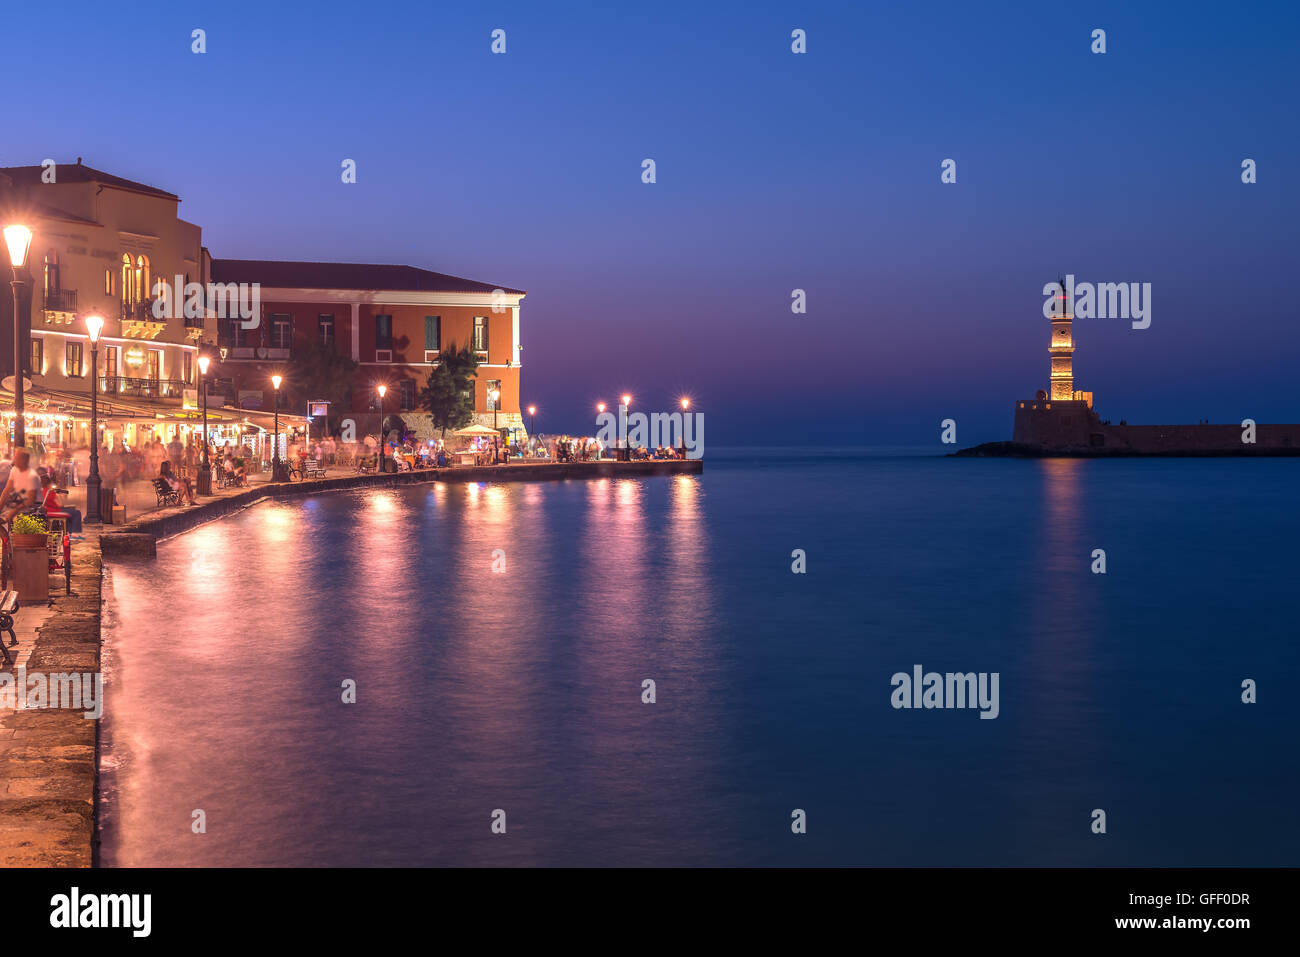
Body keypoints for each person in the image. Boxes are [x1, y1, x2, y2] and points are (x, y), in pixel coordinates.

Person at [1, 449, 41, 522]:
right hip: (20, 503)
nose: (14, 460)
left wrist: (13, 512)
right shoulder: (14, 470)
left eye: (16, 458)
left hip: (33, 507)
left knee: (12, 518)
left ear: (24, 460)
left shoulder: (32, 476)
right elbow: (7, 490)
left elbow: (30, 501)